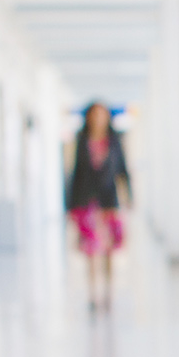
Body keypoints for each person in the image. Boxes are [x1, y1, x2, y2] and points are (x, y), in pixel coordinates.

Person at [66, 100, 132, 311]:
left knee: (109, 251)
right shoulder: (82, 140)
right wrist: (71, 205)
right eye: (94, 114)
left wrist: (128, 195)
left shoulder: (114, 141)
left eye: (102, 114)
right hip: (87, 201)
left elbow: (123, 169)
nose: (98, 119)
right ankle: (93, 295)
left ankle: (109, 293)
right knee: (91, 250)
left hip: (109, 202)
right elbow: (76, 173)